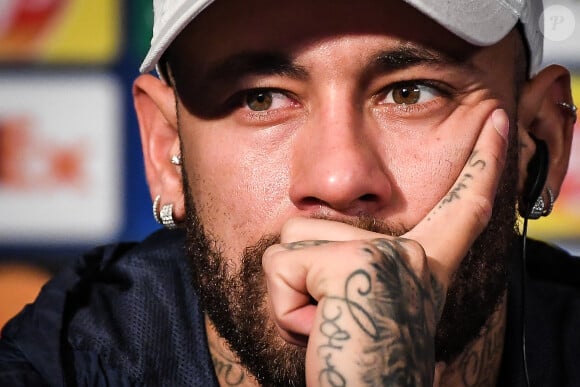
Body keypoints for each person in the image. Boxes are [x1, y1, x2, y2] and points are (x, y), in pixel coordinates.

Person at [1, 0, 579, 385]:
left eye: (410, 93)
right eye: (260, 99)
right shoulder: (53, 371)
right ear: (165, 152)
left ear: (540, 141)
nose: (337, 179)